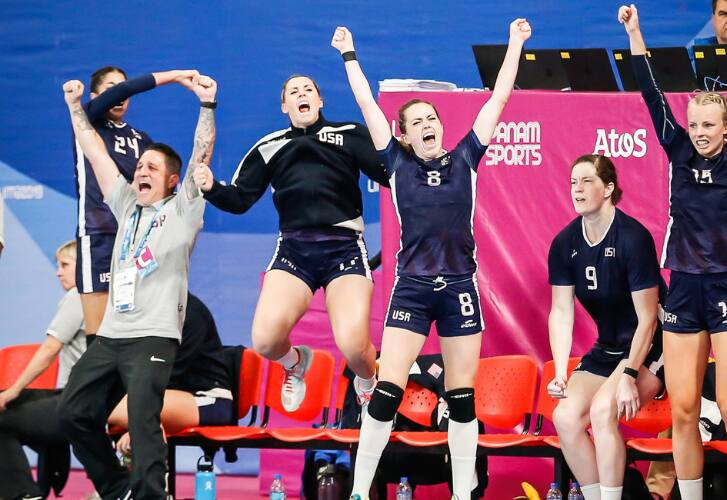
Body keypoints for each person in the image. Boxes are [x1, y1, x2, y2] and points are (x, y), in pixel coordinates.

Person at [331, 18, 530, 499]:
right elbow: (366, 103)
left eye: (432, 119)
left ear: (442, 127)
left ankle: (462, 493)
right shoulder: (397, 164)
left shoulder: (466, 159)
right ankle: (359, 491)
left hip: (459, 288)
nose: (427, 126)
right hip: (413, 290)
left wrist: (515, 43)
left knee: (461, 398)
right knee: (386, 392)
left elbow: (499, 99)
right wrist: (348, 54)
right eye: (416, 122)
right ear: (402, 135)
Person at [619, 2, 727, 499]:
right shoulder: (677, 148)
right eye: (694, 124)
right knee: (683, 410)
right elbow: (650, 92)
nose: (700, 132)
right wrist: (635, 34)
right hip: (682, 287)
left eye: (709, 125)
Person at [57, 72, 216, 499]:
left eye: (152, 168)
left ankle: (149, 495)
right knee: (72, 412)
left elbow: (201, 154)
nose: (141, 171)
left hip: (153, 336)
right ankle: (116, 489)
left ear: (171, 181)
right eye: (139, 165)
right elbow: (95, 151)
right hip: (112, 336)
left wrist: (206, 105)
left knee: (143, 422)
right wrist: (74, 108)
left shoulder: (183, 209)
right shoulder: (127, 205)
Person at [193, 74, 389, 414]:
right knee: (266, 341)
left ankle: (368, 381)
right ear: (285, 106)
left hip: (343, 250)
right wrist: (211, 188)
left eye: (308, 89)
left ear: (320, 101)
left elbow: (390, 173)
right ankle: (295, 363)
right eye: (293, 92)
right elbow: (239, 199)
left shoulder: (349, 135)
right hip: (294, 252)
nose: (302, 94)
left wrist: (410, 152)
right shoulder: (270, 146)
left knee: (355, 349)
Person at [547, 154, 665, 500]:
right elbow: (561, 312)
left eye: (587, 181)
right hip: (609, 346)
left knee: (602, 410)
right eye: (573, 182)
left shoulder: (633, 238)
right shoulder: (565, 243)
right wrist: (560, 373)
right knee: (565, 417)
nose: (578, 189)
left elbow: (648, 319)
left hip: (653, 344)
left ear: (609, 188)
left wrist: (629, 375)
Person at [74, 66, 199, 341]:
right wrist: (175, 76)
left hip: (136, 238)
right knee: (99, 336)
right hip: (98, 234)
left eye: (123, 89)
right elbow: (126, 89)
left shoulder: (142, 140)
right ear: (94, 97)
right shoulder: (87, 120)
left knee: (135, 327)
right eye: (111, 89)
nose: (120, 95)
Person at [0, 240, 86, 500]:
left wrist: (13, 391)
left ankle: (23, 494)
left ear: (83, 266)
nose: (58, 272)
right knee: (9, 402)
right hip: (76, 394)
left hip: (78, 399)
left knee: (3, 415)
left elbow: (49, 350)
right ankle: (47, 467)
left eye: (65, 265)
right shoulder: (96, 297)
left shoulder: (78, 297)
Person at [110, 292, 235, 458]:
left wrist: (139, 422)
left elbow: (169, 375)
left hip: (208, 400)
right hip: (163, 396)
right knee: (100, 400)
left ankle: (152, 461)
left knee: (114, 405)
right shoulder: (145, 312)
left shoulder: (189, 311)